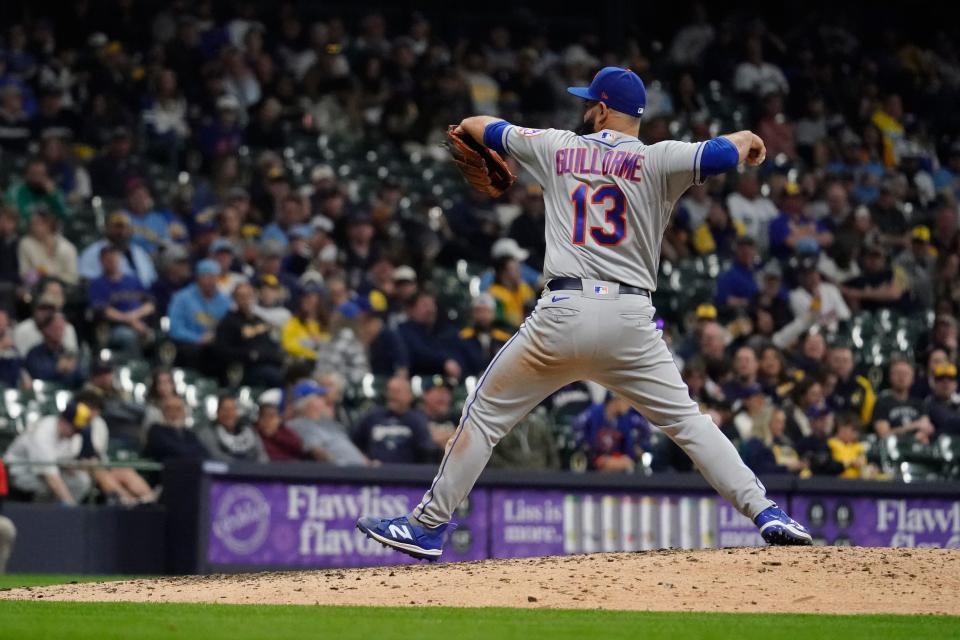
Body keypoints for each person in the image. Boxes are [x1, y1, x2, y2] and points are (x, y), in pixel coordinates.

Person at [357, 67, 811, 557]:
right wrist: (747, 137)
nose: (585, 108)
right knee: (689, 423)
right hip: (632, 321)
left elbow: (480, 124)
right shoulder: (660, 158)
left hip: (563, 313)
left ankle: (427, 526)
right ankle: (766, 512)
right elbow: (722, 153)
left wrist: (470, 130)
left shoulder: (556, 145)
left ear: (600, 107)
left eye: (589, 101)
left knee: (484, 415)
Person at [3, 401, 95, 504]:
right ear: (63, 422)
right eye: (74, 429)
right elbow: (50, 477)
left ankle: (58, 513)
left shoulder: (68, 435)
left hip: (43, 472)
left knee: (81, 480)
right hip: (18, 472)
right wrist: (71, 506)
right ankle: (43, 514)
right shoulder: (42, 433)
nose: (75, 434)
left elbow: (65, 460)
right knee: (51, 486)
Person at [87, 245, 155, 360]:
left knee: (160, 337)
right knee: (128, 336)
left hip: (140, 323)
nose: (112, 262)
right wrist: (130, 321)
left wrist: (135, 317)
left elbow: (150, 305)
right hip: (114, 328)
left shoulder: (133, 280)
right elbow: (104, 310)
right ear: (102, 261)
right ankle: (137, 370)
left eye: (115, 258)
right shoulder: (97, 284)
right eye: (108, 259)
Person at [352, 377, 438, 464]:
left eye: (397, 392)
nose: (392, 396)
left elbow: (427, 451)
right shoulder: (373, 416)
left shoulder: (417, 420)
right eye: (389, 391)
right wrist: (364, 460)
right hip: (374, 473)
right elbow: (353, 443)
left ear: (409, 396)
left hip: (406, 474)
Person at [213, 282, 284, 388]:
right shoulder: (228, 322)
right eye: (241, 296)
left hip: (266, 362)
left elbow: (271, 345)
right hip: (244, 369)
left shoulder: (259, 320)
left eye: (248, 296)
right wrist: (249, 354)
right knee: (275, 377)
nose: (245, 300)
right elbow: (222, 350)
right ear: (235, 299)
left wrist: (263, 355)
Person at [285, 381, 370, 466]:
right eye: (319, 397)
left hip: (364, 471)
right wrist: (339, 468)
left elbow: (348, 446)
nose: (324, 400)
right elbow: (317, 452)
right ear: (306, 402)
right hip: (343, 473)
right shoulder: (300, 424)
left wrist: (369, 464)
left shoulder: (328, 423)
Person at [167, 259, 232, 371]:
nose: (209, 281)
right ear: (198, 277)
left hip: (215, 345)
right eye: (205, 276)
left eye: (212, 277)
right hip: (188, 345)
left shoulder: (225, 301)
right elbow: (175, 328)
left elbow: (229, 327)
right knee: (193, 351)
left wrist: (216, 337)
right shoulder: (182, 298)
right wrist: (198, 339)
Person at [572, 394, 652, 473]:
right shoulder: (595, 412)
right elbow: (577, 425)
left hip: (618, 458)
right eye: (627, 401)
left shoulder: (628, 417)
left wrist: (638, 446)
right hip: (595, 460)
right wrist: (586, 449)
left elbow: (646, 430)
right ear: (616, 400)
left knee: (627, 463)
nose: (629, 406)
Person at [78, 212, 157, 288]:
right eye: (118, 227)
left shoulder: (139, 252)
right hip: (113, 297)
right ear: (107, 228)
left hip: (144, 296)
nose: (123, 231)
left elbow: (151, 278)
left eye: (127, 227)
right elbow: (86, 280)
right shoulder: (93, 252)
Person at [872, 358, 935, 442]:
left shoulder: (919, 403)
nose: (901, 377)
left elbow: (926, 428)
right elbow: (884, 434)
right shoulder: (882, 403)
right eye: (898, 373)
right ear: (890, 377)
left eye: (906, 374)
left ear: (912, 379)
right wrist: (914, 426)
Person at [454, 293, 512, 378]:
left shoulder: (504, 339)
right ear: (472, 314)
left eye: (486, 311)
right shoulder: (463, 337)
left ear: (493, 314)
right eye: (478, 311)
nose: (482, 316)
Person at [196, 395, 268, 463]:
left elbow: (262, 456)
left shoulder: (249, 431)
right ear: (218, 412)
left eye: (233, 409)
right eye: (225, 409)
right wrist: (243, 466)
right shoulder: (207, 433)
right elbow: (216, 457)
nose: (229, 413)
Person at [17, 211, 78, 287]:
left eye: (39, 224)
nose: (35, 228)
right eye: (33, 224)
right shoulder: (26, 243)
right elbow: (24, 273)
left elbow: (72, 278)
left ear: (50, 224)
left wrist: (51, 277)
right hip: (37, 287)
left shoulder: (68, 248)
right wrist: (36, 275)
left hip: (63, 287)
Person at [24, 312, 85, 388]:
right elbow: (36, 376)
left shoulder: (68, 353)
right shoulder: (35, 354)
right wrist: (57, 370)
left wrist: (75, 369)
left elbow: (81, 379)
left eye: (62, 328)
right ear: (45, 329)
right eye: (56, 328)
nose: (60, 332)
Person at [142, 395, 209, 463]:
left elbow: (203, 453)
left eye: (178, 409)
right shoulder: (155, 431)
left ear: (184, 413)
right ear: (162, 412)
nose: (173, 413)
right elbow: (170, 451)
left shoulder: (190, 434)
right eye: (168, 409)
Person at [6, 158, 70, 222]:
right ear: (27, 174)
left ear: (46, 175)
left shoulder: (54, 192)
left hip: (49, 229)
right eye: (33, 174)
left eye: (40, 174)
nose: (37, 177)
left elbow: (65, 214)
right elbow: (11, 213)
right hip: (24, 229)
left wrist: (53, 195)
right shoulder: (16, 190)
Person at [828, 412, 876, 479]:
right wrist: (851, 463)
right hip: (837, 484)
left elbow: (866, 464)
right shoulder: (831, 444)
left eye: (857, 431)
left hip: (857, 484)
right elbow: (831, 467)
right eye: (853, 430)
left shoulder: (858, 447)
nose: (855, 435)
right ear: (842, 428)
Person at [922, 363, 960, 437]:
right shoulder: (928, 403)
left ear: (956, 384)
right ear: (934, 383)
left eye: (950, 379)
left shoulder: (957, 401)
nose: (946, 382)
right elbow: (946, 422)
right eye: (941, 379)